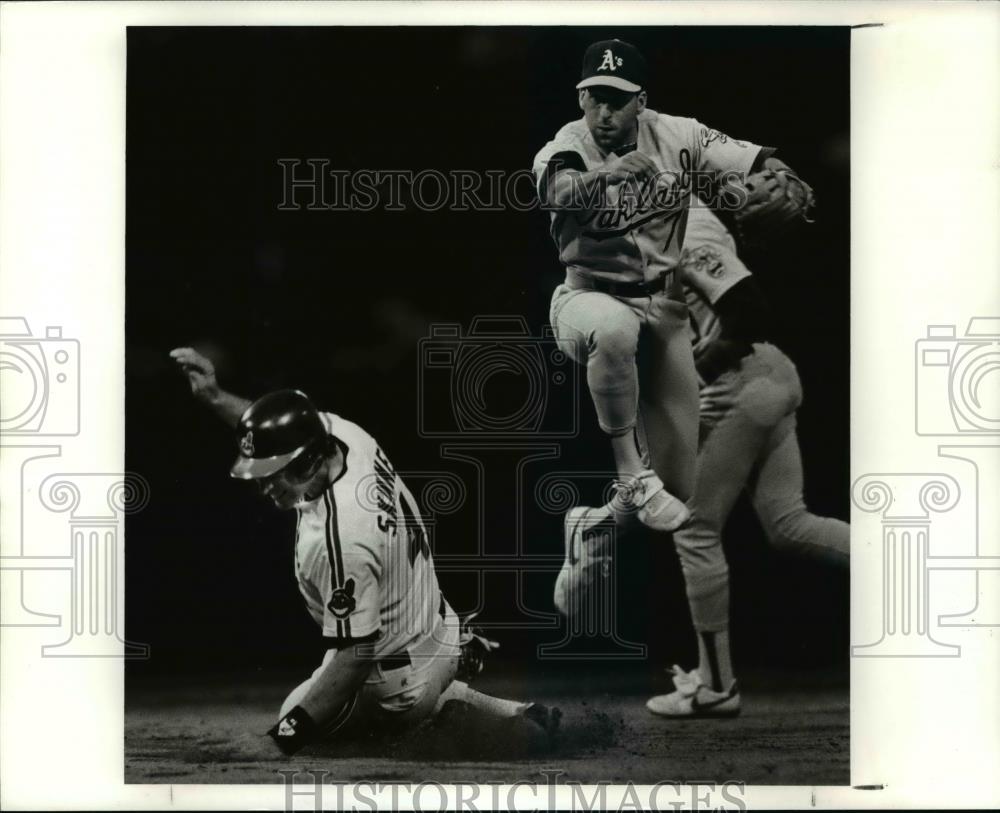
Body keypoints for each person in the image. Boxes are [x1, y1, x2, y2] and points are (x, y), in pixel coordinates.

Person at [170, 347, 559, 755]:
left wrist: (282, 741)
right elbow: (282, 432)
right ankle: (510, 711)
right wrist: (215, 397)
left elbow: (356, 655)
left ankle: (460, 721)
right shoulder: (342, 434)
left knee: (297, 724)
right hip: (439, 630)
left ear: (306, 463)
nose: (263, 486)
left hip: (396, 681)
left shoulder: (340, 536)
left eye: (271, 474)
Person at [553, 200, 849, 717]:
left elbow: (748, 310)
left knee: (692, 524)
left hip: (736, 384)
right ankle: (906, 561)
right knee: (789, 522)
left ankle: (715, 685)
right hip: (769, 375)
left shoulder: (676, 223)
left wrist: (695, 370)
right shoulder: (650, 222)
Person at [533, 37, 798, 533]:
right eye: (596, 97)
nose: (605, 112)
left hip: (662, 308)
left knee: (678, 489)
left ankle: (590, 530)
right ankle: (630, 474)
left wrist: (780, 169)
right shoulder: (564, 146)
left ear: (642, 101)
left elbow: (749, 157)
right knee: (612, 330)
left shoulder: (680, 135)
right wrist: (607, 175)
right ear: (580, 97)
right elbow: (558, 188)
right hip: (585, 299)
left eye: (618, 99)